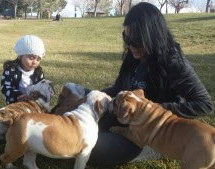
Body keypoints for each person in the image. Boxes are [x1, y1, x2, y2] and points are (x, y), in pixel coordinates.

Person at [88, 2, 214, 166]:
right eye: (126, 37)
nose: (131, 45)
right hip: (121, 117)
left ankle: (149, 150)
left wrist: (154, 110)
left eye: (136, 40)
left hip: (143, 136)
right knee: (79, 109)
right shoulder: (133, 55)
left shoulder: (173, 62)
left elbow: (204, 104)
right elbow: (118, 88)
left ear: (152, 36)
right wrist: (95, 96)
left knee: (87, 146)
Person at [0, 35, 46, 104]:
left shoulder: (38, 73)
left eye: (38, 59)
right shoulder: (11, 71)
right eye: (31, 58)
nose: (34, 62)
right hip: (15, 103)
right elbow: (5, 87)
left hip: (33, 104)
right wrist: (18, 95)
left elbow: (42, 88)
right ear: (20, 56)